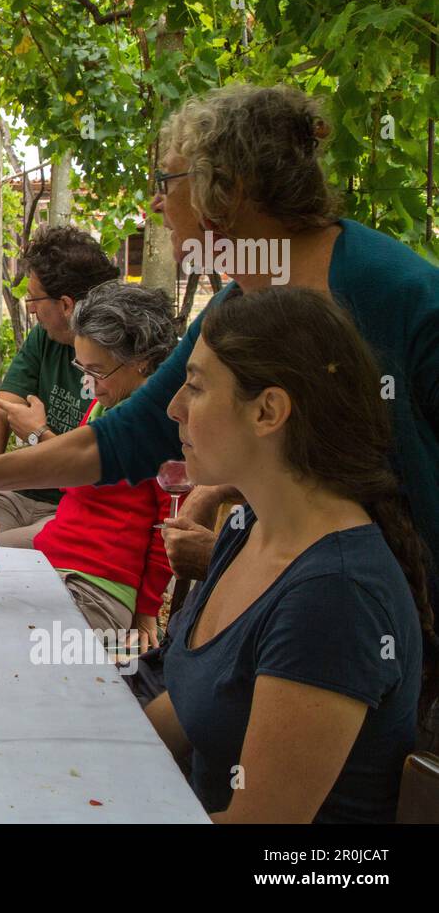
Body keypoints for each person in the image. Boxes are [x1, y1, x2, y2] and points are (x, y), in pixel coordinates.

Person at [0, 83, 439, 644]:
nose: (154, 204)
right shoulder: (235, 303)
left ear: (228, 189)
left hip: (394, 613)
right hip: (309, 610)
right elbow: (128, 434)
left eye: (166, 182)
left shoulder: (397, 292)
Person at [148, 288, 432, 823]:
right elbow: (185, 710)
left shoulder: (334, 596)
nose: (173, 407)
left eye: (195, 386)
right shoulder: (248, 527)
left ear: (269, 411)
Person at [30, 281, 177, 647]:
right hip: (60, 559)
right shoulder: (107, 404)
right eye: (84, 369)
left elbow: (169, 526)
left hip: (95, 584)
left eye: (98, 371)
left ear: (141, 360)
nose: (91, 385)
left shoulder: (158, 425)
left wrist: (146, 612)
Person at [0, 226, 119, 545]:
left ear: (65, 304)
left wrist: (38, 434)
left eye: (34, 298)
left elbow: (96, 472)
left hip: (77, 508)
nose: (31, 308)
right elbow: (2, 412)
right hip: (22, 493)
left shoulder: (121, 359)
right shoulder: (46, 337)